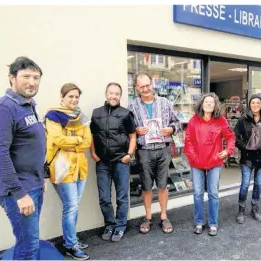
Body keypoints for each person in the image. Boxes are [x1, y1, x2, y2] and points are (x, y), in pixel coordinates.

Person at [0, 57, 46, 260]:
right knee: (28, 247)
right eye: (26, 76)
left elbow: (30, 146)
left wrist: (40, 177)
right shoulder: (4, 107)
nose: (32, 82)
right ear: (12, 78)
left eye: (36, 77)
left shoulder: (28, 105)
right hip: (18, 191)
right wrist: (19, 193)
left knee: (29, 243)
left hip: (33, 185)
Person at [128, 72, 180, 234]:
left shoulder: (165, 103)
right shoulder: (132, 107)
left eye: (147, 85)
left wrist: (171, 129)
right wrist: (135, 130)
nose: (145, 89)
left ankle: (164, 216)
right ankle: (148, 217)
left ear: (152, 84)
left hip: (163, 149)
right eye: (141, 86)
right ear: (137, 87)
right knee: (147, 186)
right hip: (144, 152)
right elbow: (127, 130)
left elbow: (177, 123)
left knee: (163, 185)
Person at [44, 83, 91, 260]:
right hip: (62, 168)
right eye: (70, 96)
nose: (74, 99)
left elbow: (88, 142)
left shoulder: (82, 116)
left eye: (76, 97)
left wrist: (73, 141)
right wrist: (78, 138)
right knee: (71, 206)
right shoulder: (53, 115)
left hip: (80, 167)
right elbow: (57, 139)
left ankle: (71, 239)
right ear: (62, 97)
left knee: (73, 206)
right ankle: (71, 245)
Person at [90, 82, 136, 242]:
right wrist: (93, 153)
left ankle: (121, 226)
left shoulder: (126, 113)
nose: (114, 96)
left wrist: (129, 154)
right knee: (104, 197)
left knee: (122, 197)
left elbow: (133, 136)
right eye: (111, 93)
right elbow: (92, 135)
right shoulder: (96, 113)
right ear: (106, 94)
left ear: (120, 96)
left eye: (117, 94)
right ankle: (109, 224)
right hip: (102, 162)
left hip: (121, 161)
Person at [184, 93, 236, 236]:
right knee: (197, 194)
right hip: (197, 163)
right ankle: (199, 222)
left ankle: (213, 223)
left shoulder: (221, 121)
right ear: (201, 104)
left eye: (211, 103)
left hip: (214, 162)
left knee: (213, 194)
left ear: (215, 106)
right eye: (206, 102)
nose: (208, 104)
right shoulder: (194, 120)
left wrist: (227, 151)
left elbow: (231, 137)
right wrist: (193, 158)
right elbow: (188, 141)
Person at [234, 94, 261, 224]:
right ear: (249, 105)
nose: (255, 105)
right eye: (253, 103)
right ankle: (241, 209)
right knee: (245, 184)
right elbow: (235, 137)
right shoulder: (243, 120)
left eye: (258, 103)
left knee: (258, 184)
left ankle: (255, 208)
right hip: (247, 158)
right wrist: (245, 147)